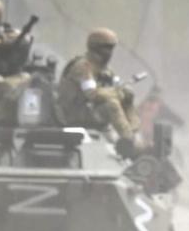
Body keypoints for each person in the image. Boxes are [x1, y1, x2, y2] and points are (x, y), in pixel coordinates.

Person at [57, 28, 143, 157]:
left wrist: (124, 93)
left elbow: (117, 87)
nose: (110, 52)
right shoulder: (83, 66)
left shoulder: (104, 69)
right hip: (74, 113)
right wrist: (117, 92)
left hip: (90, 113)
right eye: (106, 48)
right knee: (112, 104)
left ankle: (134, 135)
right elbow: (92, 93)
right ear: (95, 47)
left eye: (111, 48)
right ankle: (128, 141)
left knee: (127, 95)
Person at [0, 0, 33, 125]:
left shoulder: (11, 34)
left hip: (8, 79)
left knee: (28, 79)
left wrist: (6, 43)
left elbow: (23, 41)